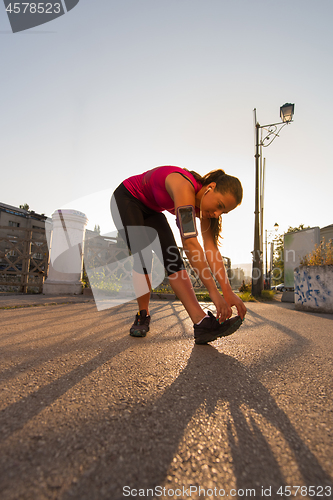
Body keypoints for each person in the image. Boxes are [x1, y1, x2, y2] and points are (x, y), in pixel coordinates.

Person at [111, 165, 247, 344]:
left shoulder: (206, 209)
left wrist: (227, 291)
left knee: (173, 260)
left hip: (152, 209)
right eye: (219, 205)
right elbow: (190, 242)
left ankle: (201, 322)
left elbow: (211, 250)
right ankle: (142, 314)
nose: (217, 214)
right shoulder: (184, 187)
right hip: (127, 198)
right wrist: (214, 293)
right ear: (210, 187)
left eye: (224, 212)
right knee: (143, 255)